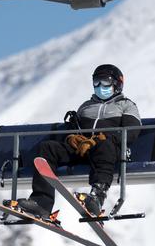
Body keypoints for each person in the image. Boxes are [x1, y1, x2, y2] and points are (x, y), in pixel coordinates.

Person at [17, 64, 142, 220]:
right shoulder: (86, 107)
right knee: (48, 148)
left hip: (109, 151)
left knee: (104, 145)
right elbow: (73, 130)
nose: (99, 86)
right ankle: (41, 202)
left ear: (117, 84)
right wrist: (73, 138)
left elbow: (131, 132)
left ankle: (97, 197)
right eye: (96, 82)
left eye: (105, 82)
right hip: (84, 150)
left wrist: (100, 139)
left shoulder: (126, 105)